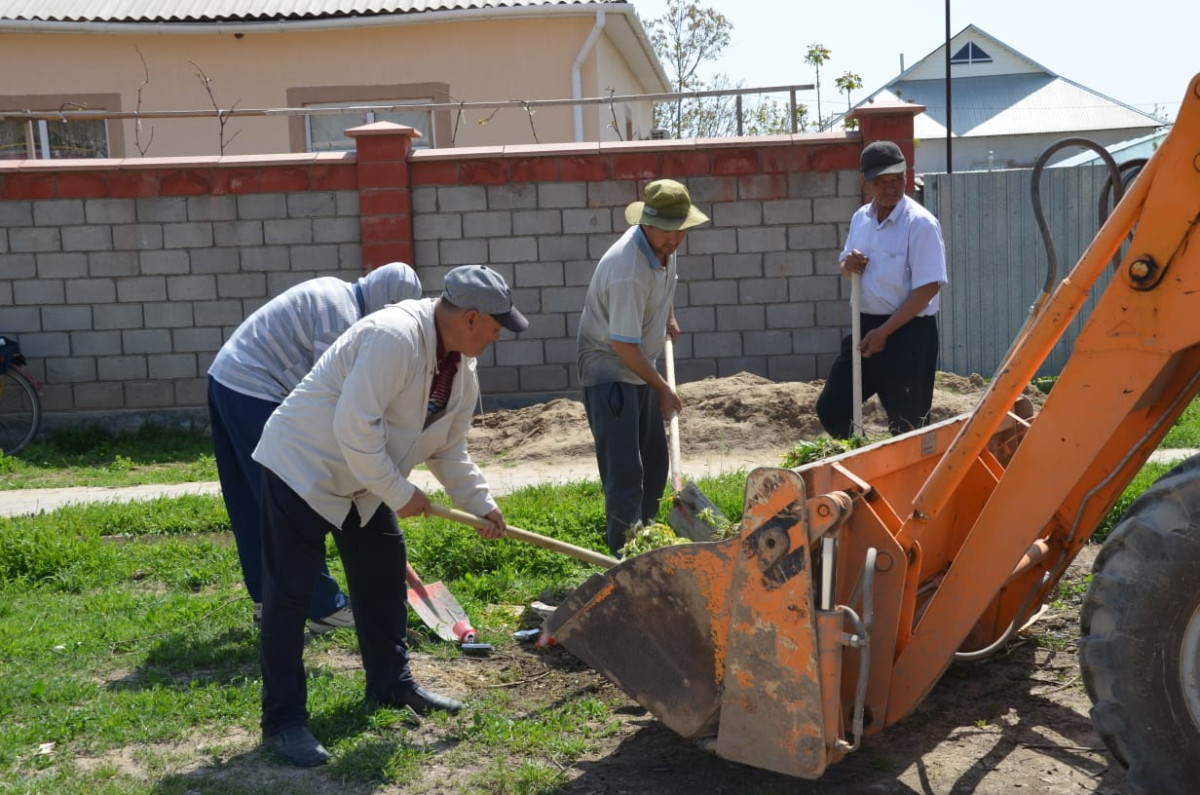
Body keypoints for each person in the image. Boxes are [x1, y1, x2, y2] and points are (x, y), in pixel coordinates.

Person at [251, 264, 528, 767]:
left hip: (365, 481)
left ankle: (391, 686)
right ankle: (284, 721)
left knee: (381, 577)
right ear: (470, 318)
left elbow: (449, 449)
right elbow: (354, 428)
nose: (498, 334)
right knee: (290, 597)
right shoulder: (393, 337)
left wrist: (481, 503)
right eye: (496, 325)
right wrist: (399, 492)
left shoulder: (461, 367)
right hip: (305, 468)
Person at [207, 263, 423, 634]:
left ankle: (267, 599)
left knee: (254, 500)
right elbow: (338, 408)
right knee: (294, 497)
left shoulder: (336, 293)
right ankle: (324, 607)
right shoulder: (342, 317)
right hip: (256, 390)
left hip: (226, 380)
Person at [577, 179, 710, 555]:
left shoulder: (665, 246)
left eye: (680, 231)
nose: (674, 239)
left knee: (654, 463)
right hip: (609, 369)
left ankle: (647, 541)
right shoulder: (627, 268)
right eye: (667, 231)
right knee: (625, 475)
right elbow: (621, 344)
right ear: (646, 223)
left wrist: (667, 314)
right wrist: (663, 388)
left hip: (639, 363)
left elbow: (664, 284)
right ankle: (624, 556)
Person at [816, 140, 948, 439]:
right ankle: (858, 460)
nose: (891, 187)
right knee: (832, 406)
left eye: (897, 179)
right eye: (881, 181)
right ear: (865, 182)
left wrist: (885, 332)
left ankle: (908, 480)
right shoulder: (861, 218)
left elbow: (928, 288)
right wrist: (848, 265)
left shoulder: (921, 224)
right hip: (865, 329)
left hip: (909, 335)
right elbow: (846, 269)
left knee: (908, 427)